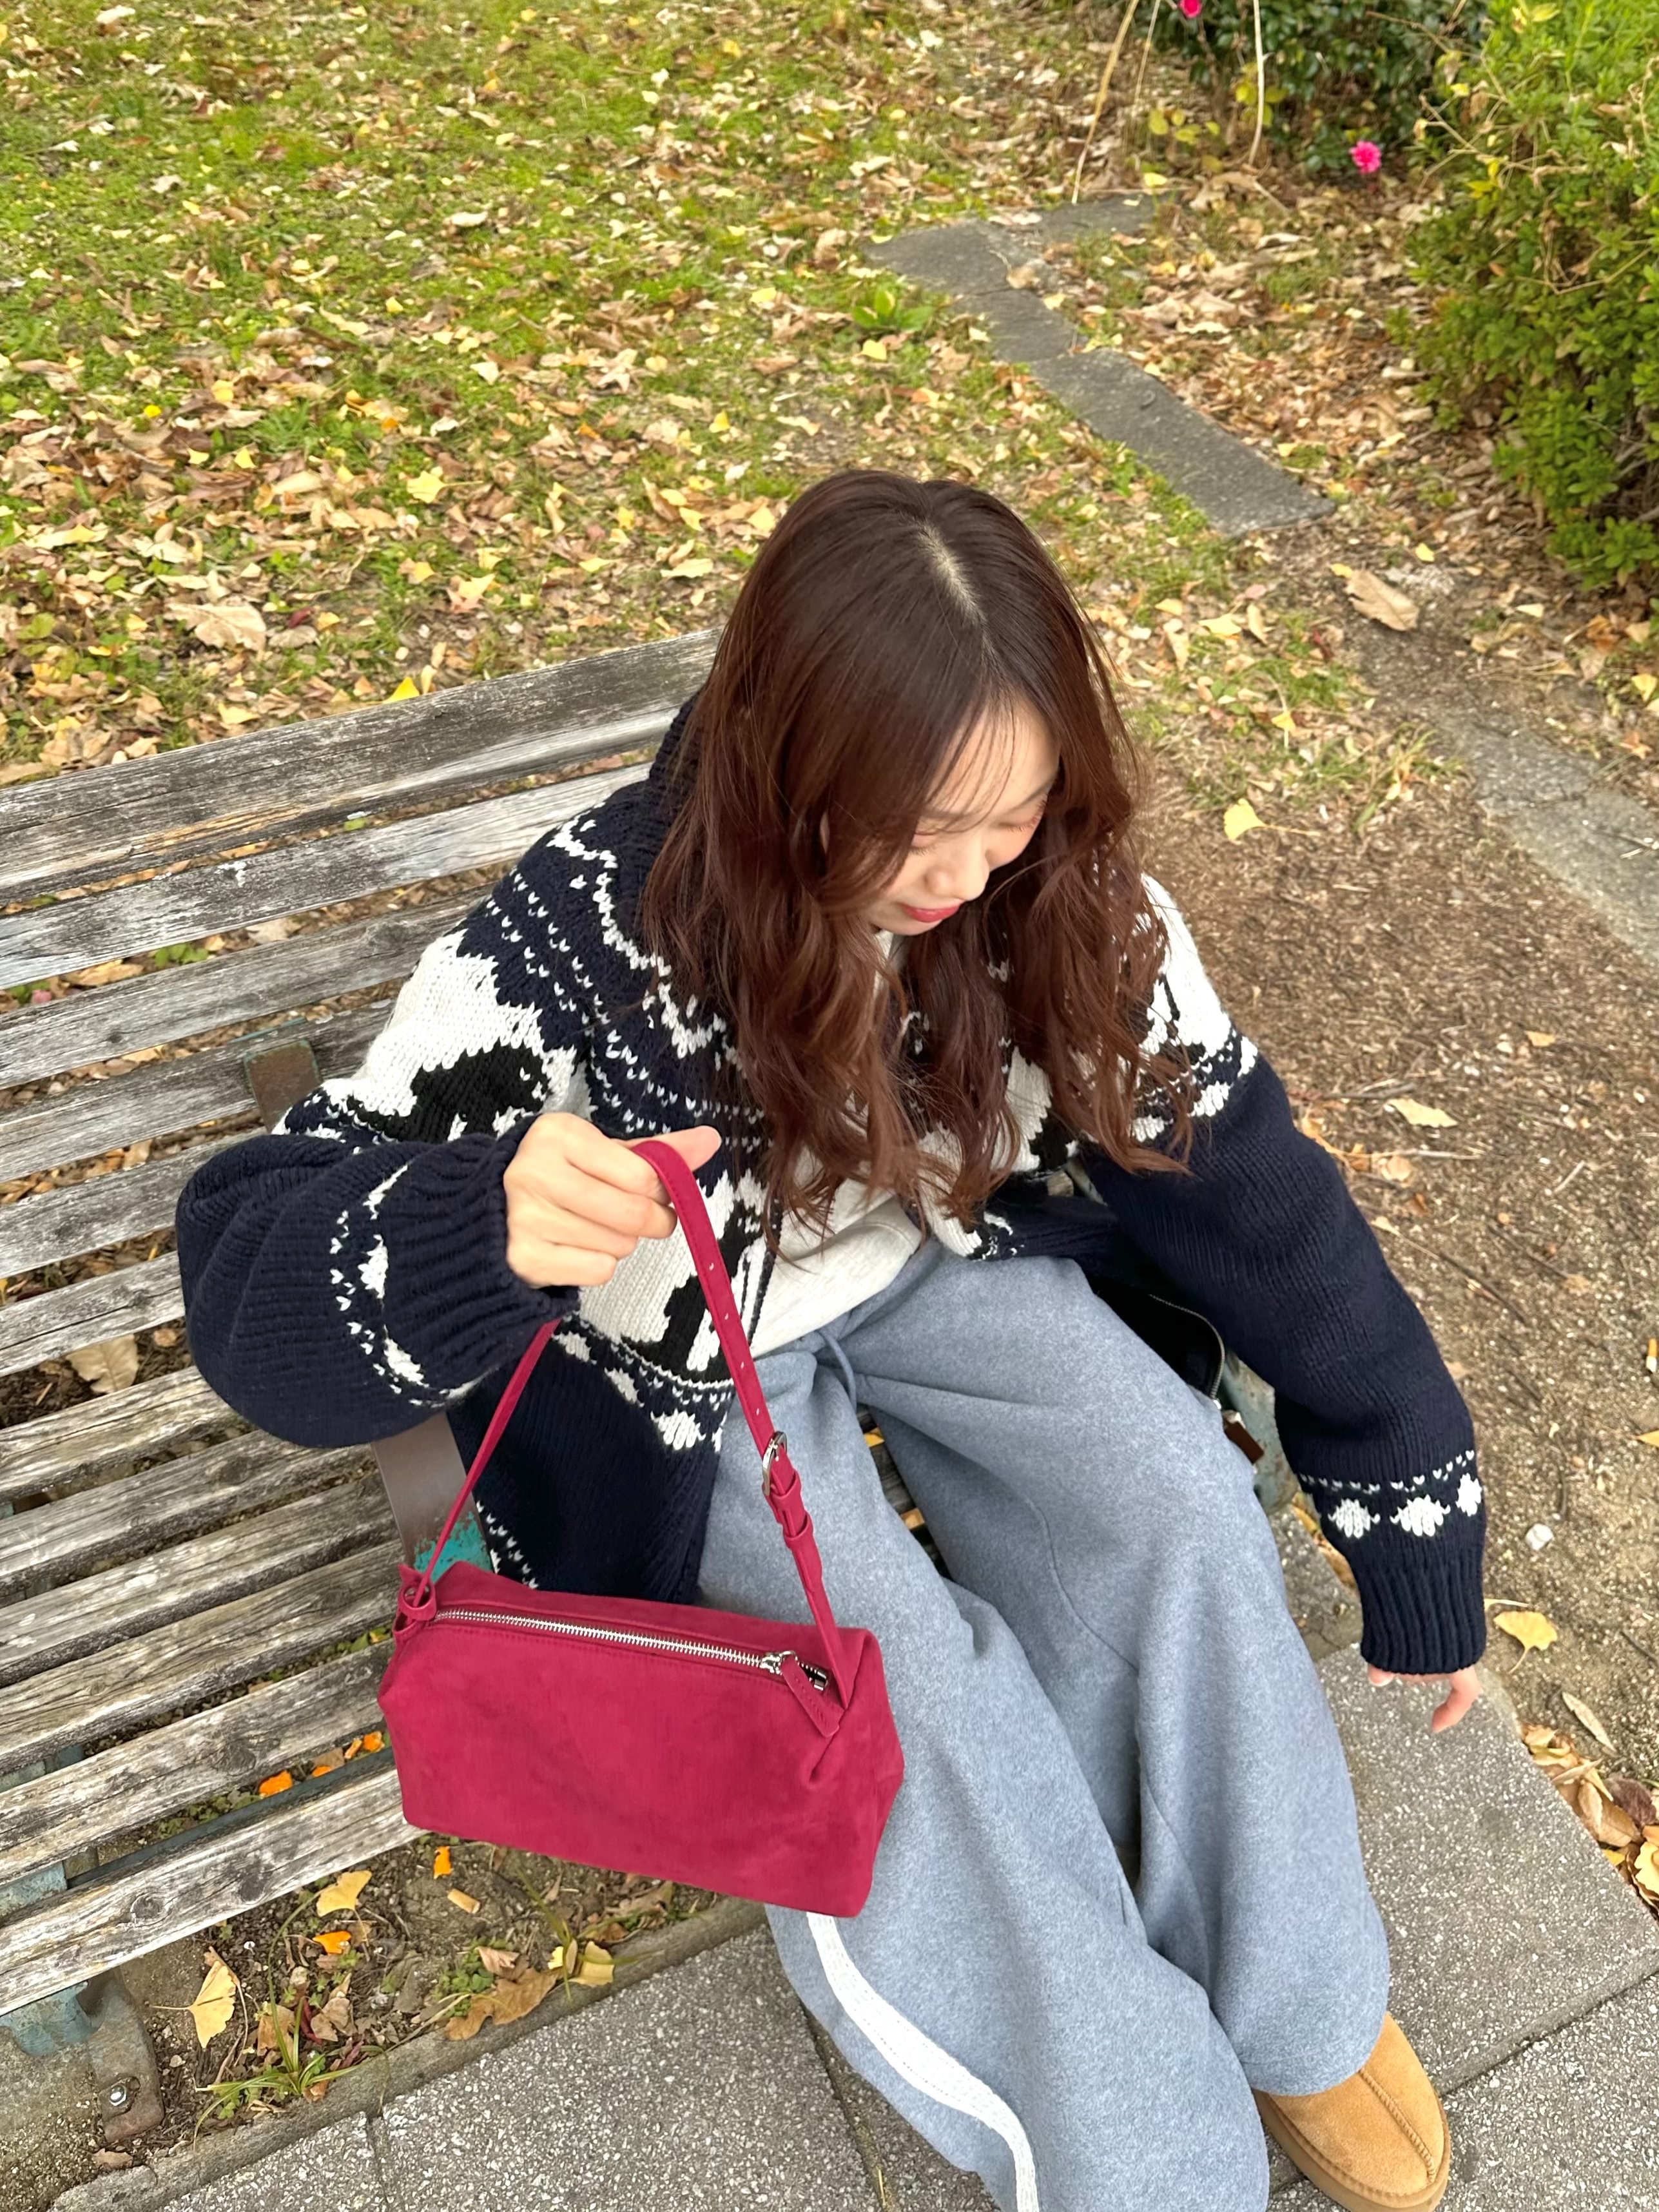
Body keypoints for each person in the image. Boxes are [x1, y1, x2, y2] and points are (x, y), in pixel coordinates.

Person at [177, 467, 1485, 2212]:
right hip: (678, 1363)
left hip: (946, 1251)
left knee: (1171, 1495)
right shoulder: (590, 939)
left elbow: (1266, 1206)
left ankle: (1298, 1999)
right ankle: (1144, 2155)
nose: (960, 873)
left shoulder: (1066, 899)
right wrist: (475, 1223)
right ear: (789, 762)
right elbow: (248, 1264)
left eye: (1010, 812)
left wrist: (1413, 1511)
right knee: (896, 1686)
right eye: (913, 825)